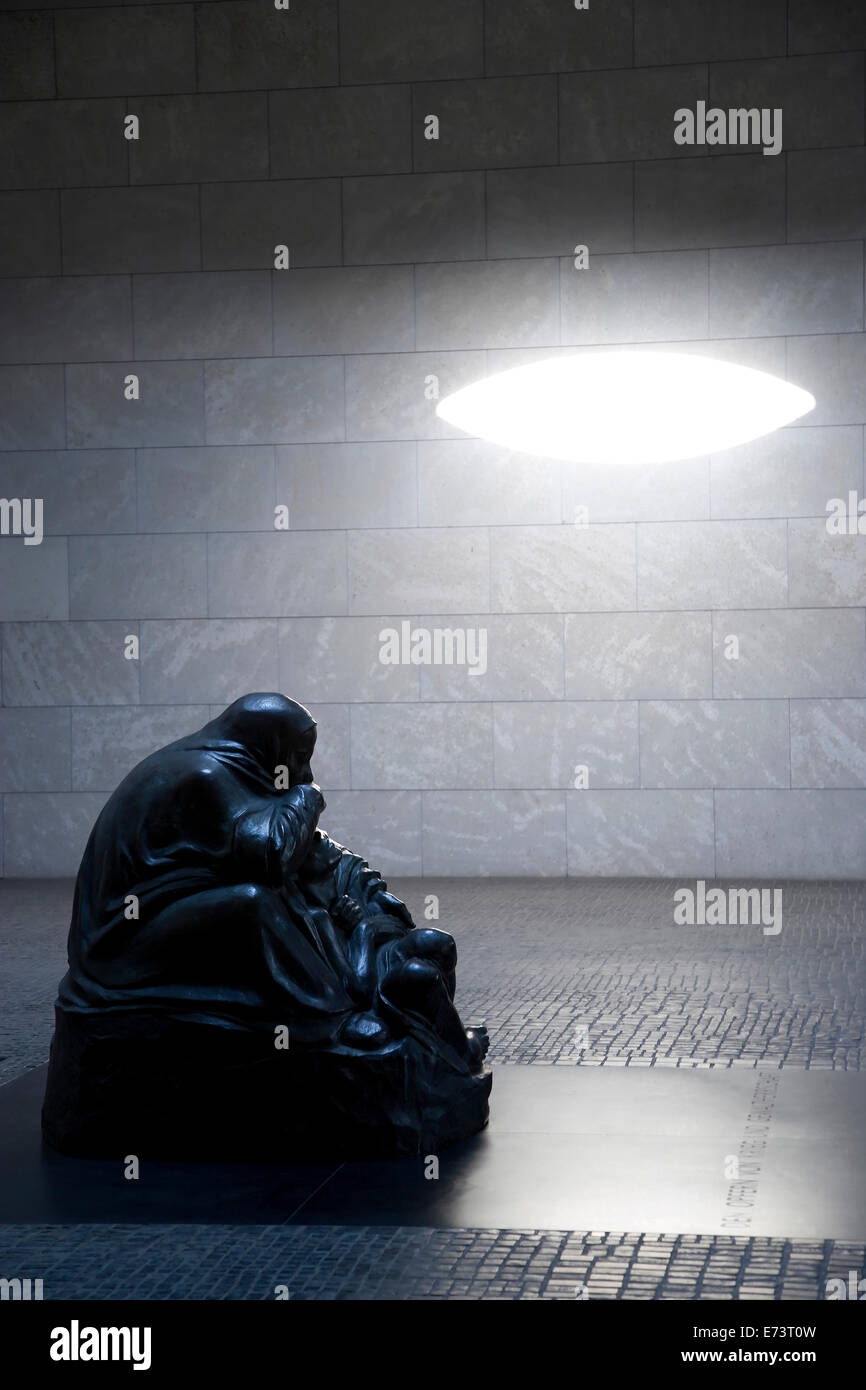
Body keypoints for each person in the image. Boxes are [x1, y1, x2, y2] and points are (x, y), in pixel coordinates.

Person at [58, 692, 488, 1073]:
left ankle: (381, 1006)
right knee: (252, 903)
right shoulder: (203, 775)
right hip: (122, 942)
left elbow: (314, 852)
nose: (305, 769)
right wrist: (306, 795)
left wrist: (372, 898)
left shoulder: (236, 769)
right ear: (273, 746)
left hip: (173, 913)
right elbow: (271, 856)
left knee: (276, 901)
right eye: (300, 756)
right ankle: (329, 1021)